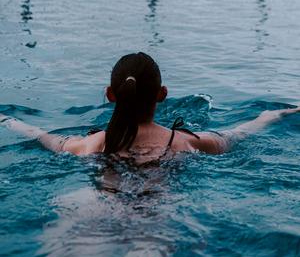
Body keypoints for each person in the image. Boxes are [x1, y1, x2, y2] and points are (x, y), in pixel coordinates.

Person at [1, 52, 299, 162]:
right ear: (162, 94)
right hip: (159, 207)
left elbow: (41, 136)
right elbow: (237, 134)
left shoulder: (91, 145)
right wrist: (271, 115)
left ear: (110, 94)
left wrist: (7, 121)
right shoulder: (185, 143)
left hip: (97, 207)